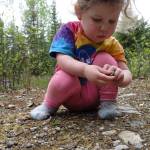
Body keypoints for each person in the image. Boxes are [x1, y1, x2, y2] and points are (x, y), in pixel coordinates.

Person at [30, 0, 132, 120]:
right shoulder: (69, 30)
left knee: (105, 58)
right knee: (64, 76)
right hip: (70, 95)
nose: (104, 27)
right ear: (79, 12)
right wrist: (85, 70)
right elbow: (62, 59)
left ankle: (108, 103)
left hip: (97, 98)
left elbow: (126, 72)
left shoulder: (112, 44)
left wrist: (121, 77)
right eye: (97, 19)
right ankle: (49, 105)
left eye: (112, 21)